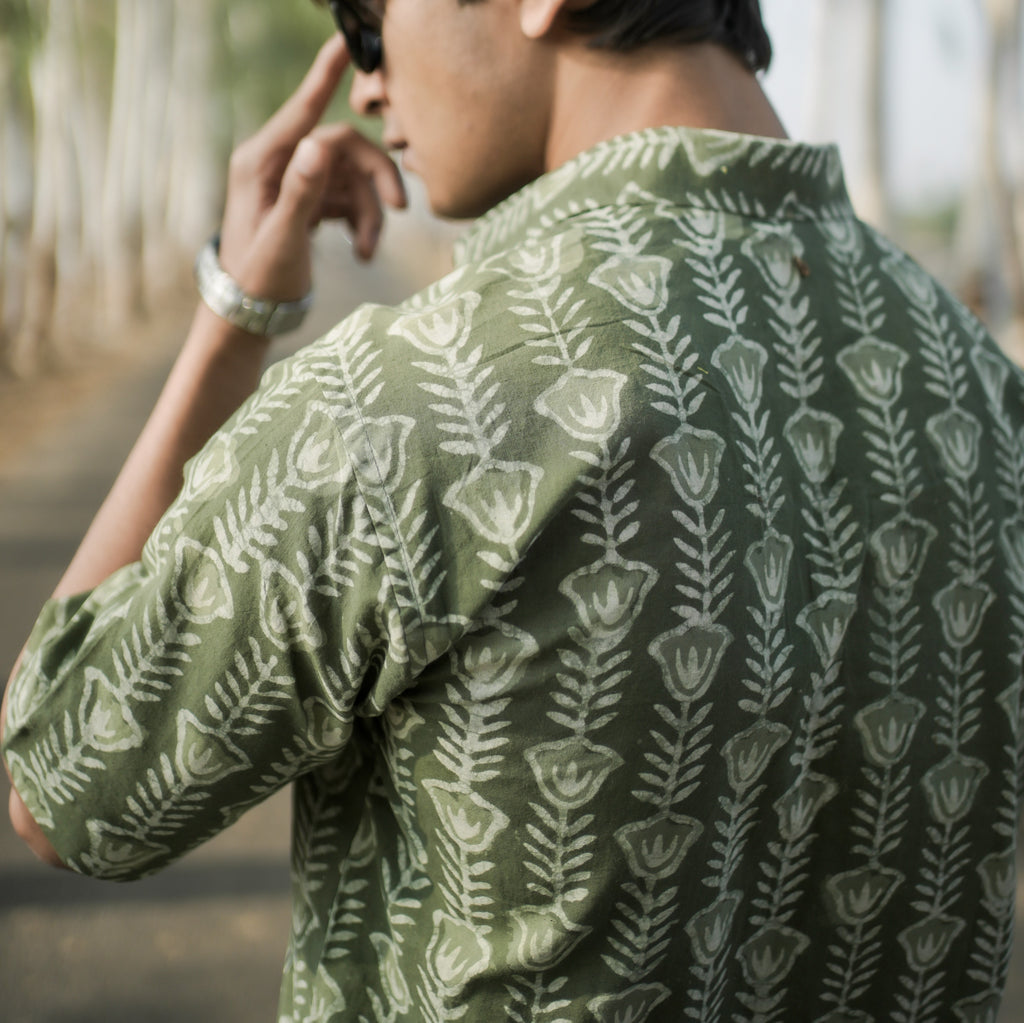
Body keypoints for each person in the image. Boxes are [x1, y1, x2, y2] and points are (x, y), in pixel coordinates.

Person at [3, 0, 1023, 1020]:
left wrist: (233, 319)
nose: (366, 84)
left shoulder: (415, 394)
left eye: (367, 24)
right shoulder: (973, 377)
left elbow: (66, 787)